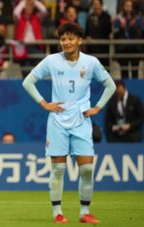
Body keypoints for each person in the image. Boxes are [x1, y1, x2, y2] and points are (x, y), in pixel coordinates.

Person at [22, 22, 116, 224]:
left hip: (82, 121)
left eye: (71, 38)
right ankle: (57, 212)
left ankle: (84, 212)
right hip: (57, 122)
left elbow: (110, 85)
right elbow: (27, 81)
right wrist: (44, 104)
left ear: (80, 40)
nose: (67, 42)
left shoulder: (90, 62)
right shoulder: (51, 61)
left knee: (87, 169)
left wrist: (98, 107)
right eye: (63, 39)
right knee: (57, 169)